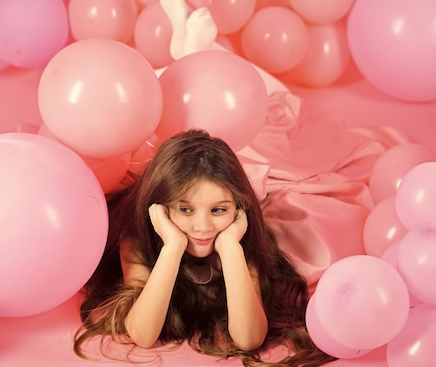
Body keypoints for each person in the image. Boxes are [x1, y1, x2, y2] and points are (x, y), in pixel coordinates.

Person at [73, 129, 336, 367]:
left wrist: (231, 249)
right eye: (185, 209)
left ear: (238, 211)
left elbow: (249, 339)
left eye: (218, 209)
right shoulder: (138, 239)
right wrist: (172, 247)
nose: (202, 227)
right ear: (161, 210)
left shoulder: (242, 239)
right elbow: (143, 335)